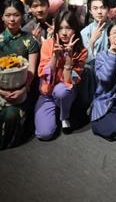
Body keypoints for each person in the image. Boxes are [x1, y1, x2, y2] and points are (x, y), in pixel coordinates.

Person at [0, 0, 39, 152]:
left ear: (22, 16)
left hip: (22, 87)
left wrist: (23, 89)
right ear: (2, 17)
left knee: (11, 115)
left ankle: (5, 140)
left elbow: (31, 70)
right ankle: (0, 137)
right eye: (8, 15)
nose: (12, 19)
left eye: (16, 15)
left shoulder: (30, 40)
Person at [35, 10, 87, 139]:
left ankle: (64, 116)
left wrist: (69, 58)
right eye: (61, 28)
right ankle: (55, 110)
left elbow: (70, 82)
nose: (64, 33)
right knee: (44, 134)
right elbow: (44, 75)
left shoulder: (81, 50)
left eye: (68, 28)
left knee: (61, 91)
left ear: (75, 29)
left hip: (65, 92)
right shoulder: (48, 44)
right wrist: (55, 56)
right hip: (47, 93)